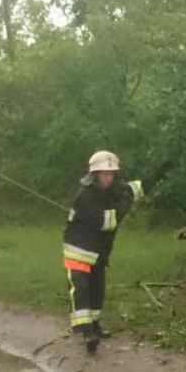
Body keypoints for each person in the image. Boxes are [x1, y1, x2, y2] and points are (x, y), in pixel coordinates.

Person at [62, 150, 146, 354]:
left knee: (97, 289)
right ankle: (86, 332)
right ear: (94, 175)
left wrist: (161, 171)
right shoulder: (86, 195)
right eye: (104, 174)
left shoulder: (113, 189)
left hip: (99, 251)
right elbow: (107, 222)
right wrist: (125, 204)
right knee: (81, 290)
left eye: (111, 174)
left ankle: (95, 324)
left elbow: (134, 189)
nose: (108, 178)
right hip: (79, 250)